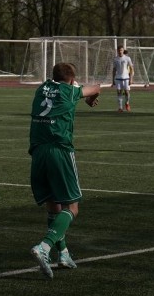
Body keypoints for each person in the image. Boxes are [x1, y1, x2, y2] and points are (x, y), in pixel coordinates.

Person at [29, 62, 101, 279]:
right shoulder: (70, 91)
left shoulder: (41, 88)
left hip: (37, 152)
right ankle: (45, 246)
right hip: (59, 151)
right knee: (72, 207)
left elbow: (59, 86)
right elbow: (96, 87)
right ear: (71, 79)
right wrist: (88, 97)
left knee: (53, 207)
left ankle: (63, 254)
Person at [112, 45, 134, 112]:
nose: (120, 51)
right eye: (119, 50)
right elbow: (114, 69)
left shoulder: (127, 58)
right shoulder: (115, 59)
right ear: (117, 51)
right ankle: (120, 108)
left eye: (121, 50)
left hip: (126, 78)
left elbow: (131, 69)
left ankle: (127, 103)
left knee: (127, 92)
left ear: (123, 50)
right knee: (119, 92)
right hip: (118, 78)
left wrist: (131, 78)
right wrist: (113, 79)